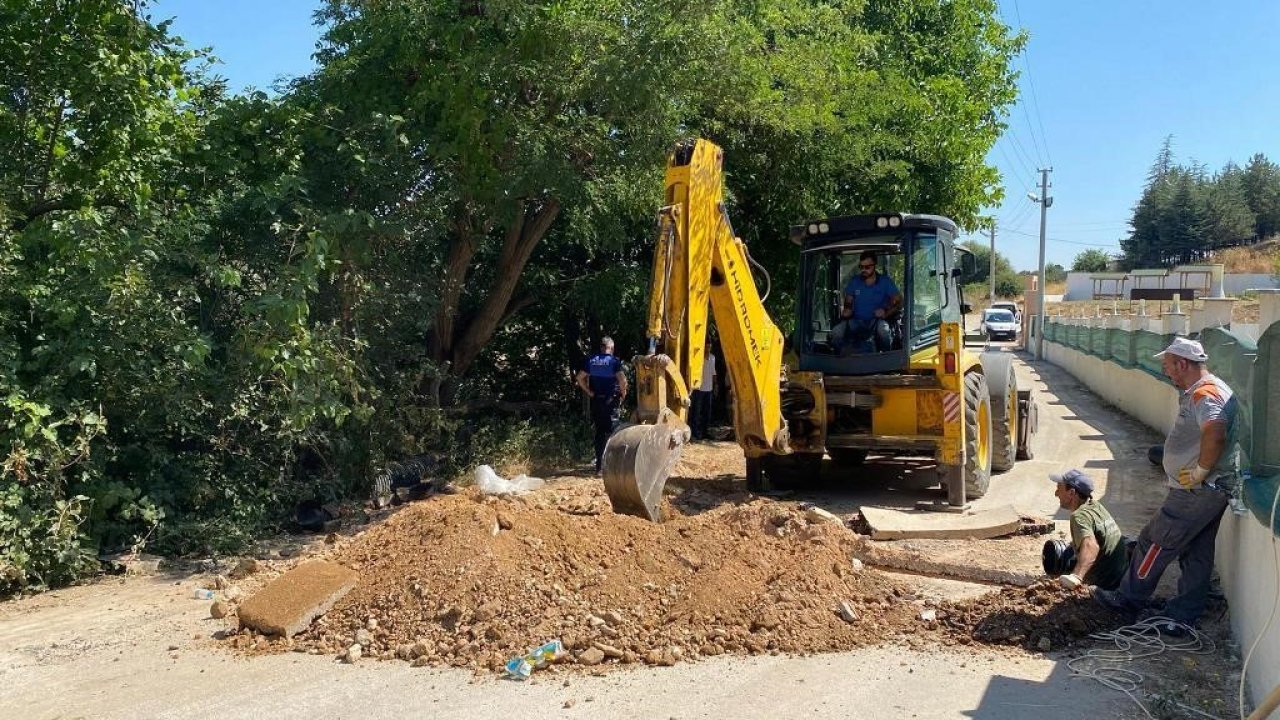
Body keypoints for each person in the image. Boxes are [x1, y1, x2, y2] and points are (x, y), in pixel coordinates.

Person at [1093, 337, 1238, 634]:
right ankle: (1184, 615)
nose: (1166, 371)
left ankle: (1128, 601)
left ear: (1183, 364)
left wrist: (1200, 471)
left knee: (1155, 542)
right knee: (1196, 551)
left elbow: (1215, 433)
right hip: (1209, 490)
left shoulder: (1205, 393)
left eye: (1169, 366)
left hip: (1196, 491)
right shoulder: (1203, 389)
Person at [1046, 469, 1128, 591]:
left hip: (1106, 586)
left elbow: (1091, 546)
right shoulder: (1096, 506)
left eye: (1059, 488)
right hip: (1122, 576)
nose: (1056, 493)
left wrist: (1076, 577)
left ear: (1072, 493)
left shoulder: (1078, 516)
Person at [576, 336, 629, 474]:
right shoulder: (614, 361)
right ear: (611, 348)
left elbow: (579, 378)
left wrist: (589, 392)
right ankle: (614, 465)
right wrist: (623, 393)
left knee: (599, 432)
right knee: (614, 430)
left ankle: (599, 467)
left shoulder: (591, 360)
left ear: (601, 347)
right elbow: (622, 380)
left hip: (597, 401)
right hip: (611, 401)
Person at [833, 250, 901, 353]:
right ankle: (842, 360)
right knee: (836, 332)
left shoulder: (885, 281)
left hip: (876, 321)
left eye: (867, 267)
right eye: (861, 267)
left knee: (884, 331)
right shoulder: (855, 281)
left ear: (875, 266)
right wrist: (847, 309)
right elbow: (848, 300)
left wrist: (885, 312)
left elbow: (899, 301)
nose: (864, 270)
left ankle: (886, 358)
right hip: (856, 321)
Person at [688, 351, 716, 441]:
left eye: (709, 346)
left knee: (707, 412)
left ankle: (705, 432)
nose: (708, 348)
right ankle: (695, 432)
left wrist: (715, 386)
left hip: (709, 389)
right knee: (696, 411)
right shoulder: (698, 357)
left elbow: (713, 373)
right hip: (699, 389)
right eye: (707, 346)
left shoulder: (712, 357)